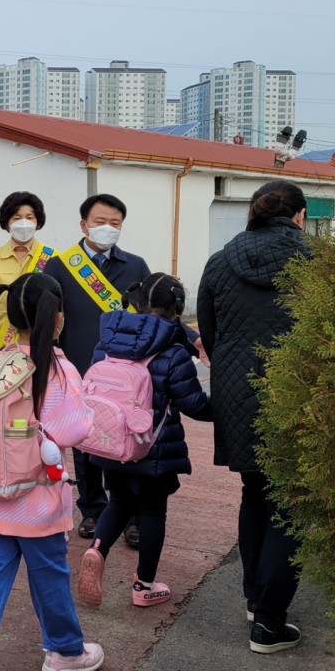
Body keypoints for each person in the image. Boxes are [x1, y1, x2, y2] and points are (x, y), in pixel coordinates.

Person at [0, 273, 102, 671]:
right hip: (37, 501)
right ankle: (66, 651)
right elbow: (77, 429)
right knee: (49, 577)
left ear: (11, 318)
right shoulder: (58, 370)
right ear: (58, 318)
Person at [197, 180, 308, 655]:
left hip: (236, 390)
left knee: (255, 493)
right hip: (295, 394)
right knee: (290, 505)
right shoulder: (317, 264)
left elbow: (209, 329)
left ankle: (254, 596)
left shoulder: (220, 261)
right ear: (299, 217)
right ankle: (268, 622)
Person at [77, 274, 211, 611]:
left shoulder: (107, 341)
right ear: (177, 310)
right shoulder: (172, 352)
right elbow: (194, 404)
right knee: (153, 512)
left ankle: (97, 549)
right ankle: (144, 585)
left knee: (118, 501)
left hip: (110, 444)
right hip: (153, 448)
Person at [43, 193, 150, 542]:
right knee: (84, 439)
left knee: (128, 440)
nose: (107, 228)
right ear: (83, 224)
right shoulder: (59, 266)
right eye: (100, 221)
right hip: (78, 368)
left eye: (115, 223)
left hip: (125, 373)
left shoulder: (136, 266)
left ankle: (134, 516)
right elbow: (49, 317)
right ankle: (92, 509)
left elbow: (151, 316)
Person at [0, 191, 56, 347]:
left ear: (37, 222)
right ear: (7, 223)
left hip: (40, 344)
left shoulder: (53, 258)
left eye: (29, 217)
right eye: (17, 218)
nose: (23, 223)